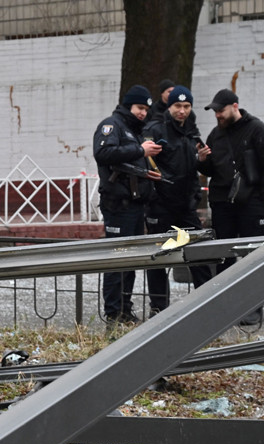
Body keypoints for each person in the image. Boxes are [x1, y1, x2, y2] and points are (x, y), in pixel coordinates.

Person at [198, 89, 264, 326]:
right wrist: (202, 161)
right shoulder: (216, 134)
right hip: (223, 203)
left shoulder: (257, 129)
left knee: (252, 256)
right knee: (223, 256)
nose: (217, 116)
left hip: (251, 204)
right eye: (215, 111)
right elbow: (211, 170)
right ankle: (226, 307)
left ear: (234, 106)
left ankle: (253, 307)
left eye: (221, 110)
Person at [93, 84, 163, 325]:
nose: (143, 113)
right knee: (116, 260)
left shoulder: (135, 130)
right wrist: (140, 150)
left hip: (134, 205)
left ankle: (125, 310)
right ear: (128, 105)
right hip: (117, 205)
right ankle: (113, 313)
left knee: (130, 261)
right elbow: (103, 154)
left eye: (146, 109)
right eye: (139, 107)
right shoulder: (112, 125)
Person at [142, 85, 214, 315]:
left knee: (199, 253)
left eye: (186, 106)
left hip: (185, 205)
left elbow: (199, 165)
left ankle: (204, 303)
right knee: (159, 259)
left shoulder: (191, 132)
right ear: (169, 106)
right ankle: (159, 307)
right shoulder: (155, 129)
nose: (182, 111)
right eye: (177, 106)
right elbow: (146, 164)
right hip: (161, 205)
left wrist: (201, 160)